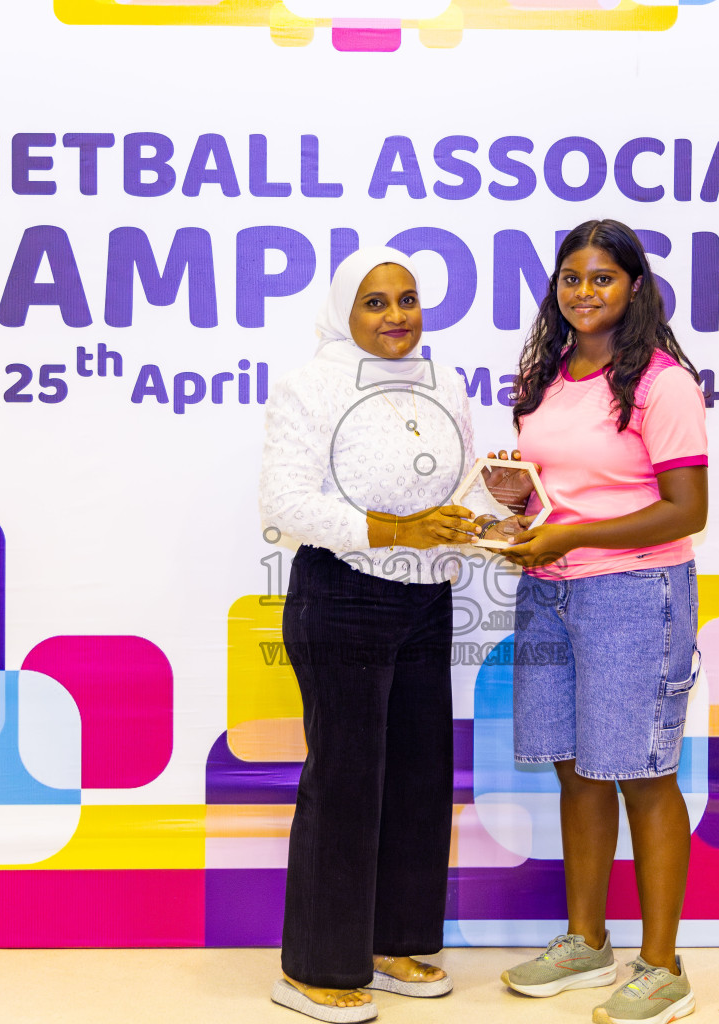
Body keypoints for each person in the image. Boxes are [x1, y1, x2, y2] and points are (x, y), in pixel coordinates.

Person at [259, 246, 514, 1022]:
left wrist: (491, 508)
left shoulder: (443, 384)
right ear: (345, 312)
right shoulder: (309, 386)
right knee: (345, 783)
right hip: (341, 596)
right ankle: (313, 967)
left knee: (415, 779)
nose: (397, 315)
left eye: (407, 299)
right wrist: (397, 527)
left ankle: (394, 940)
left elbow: (454, 493)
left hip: (426, 600)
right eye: (376, 302)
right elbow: (286, 505)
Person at [496, 220, 709, 1024]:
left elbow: (688, 510)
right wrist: (520, 503)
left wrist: (575, 531)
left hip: (633, 594)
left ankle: (663, 968)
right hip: (549, 590)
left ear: (635, 288)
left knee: (643, 772)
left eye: (603, 279)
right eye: (572, 278)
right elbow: (567, 489)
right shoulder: (551, 374)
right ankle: (587, 942)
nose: (584, 293)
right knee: (575, 768)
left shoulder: (664, 384)